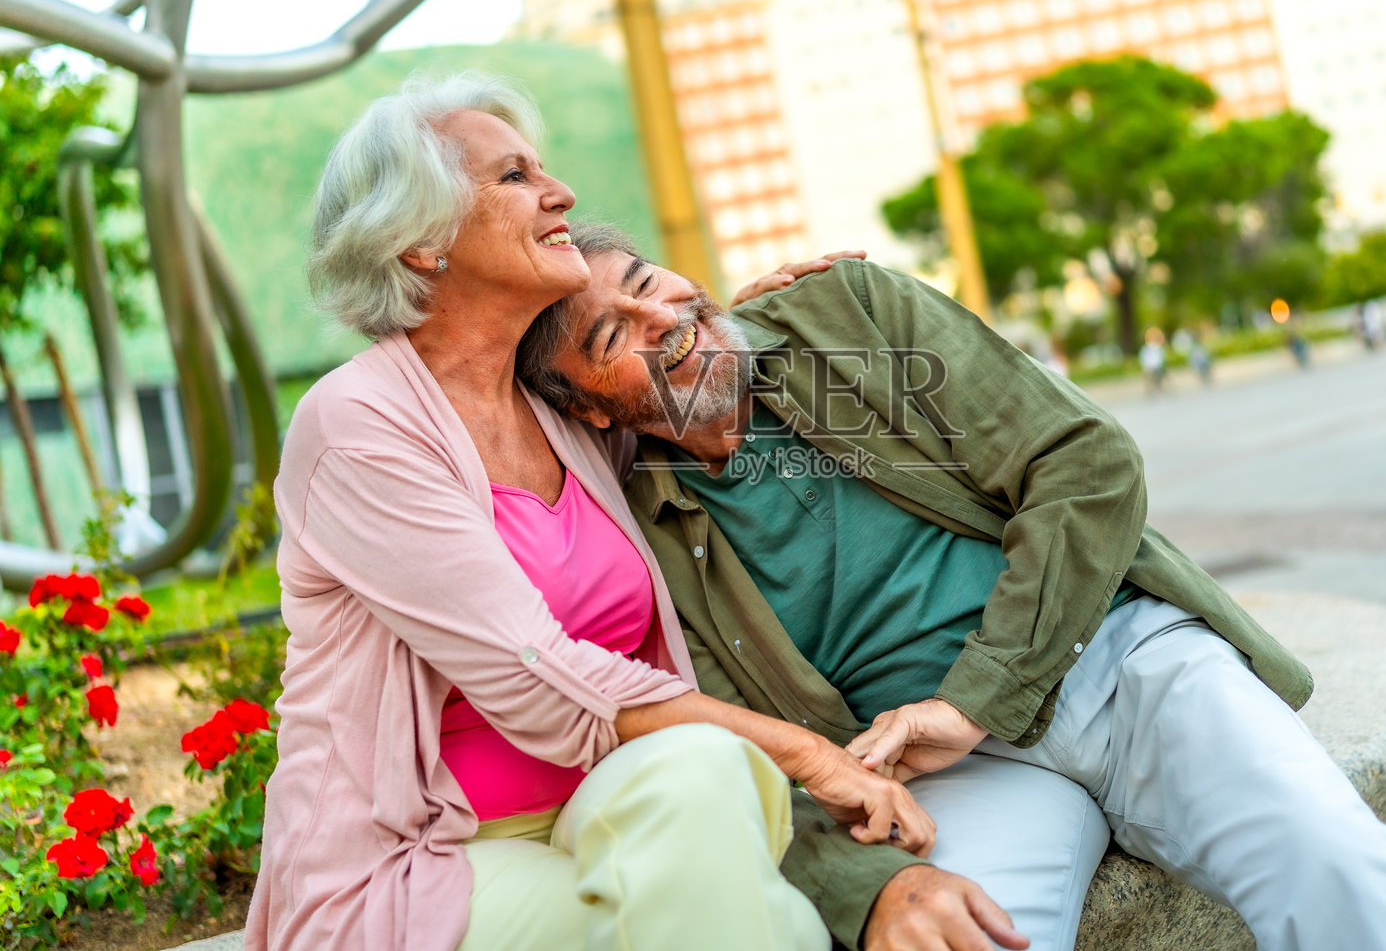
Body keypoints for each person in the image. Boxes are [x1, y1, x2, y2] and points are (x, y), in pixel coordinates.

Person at [518, 223, 1386, 951]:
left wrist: (972, 699)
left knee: (1334, 861)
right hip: (945, 782)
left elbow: (1085, 462)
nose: (664, 316)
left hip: (1118, 661)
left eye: (652, 283)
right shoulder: (627, 530)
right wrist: (868, 888)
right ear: (589, 408)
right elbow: (727, 746)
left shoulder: (842, 310)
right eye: (614, 332)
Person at [247, 75, 939, 951]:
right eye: (512, 177)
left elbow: (676, 403)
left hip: (611, 811)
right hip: (428, 858)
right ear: (422, 246)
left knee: (696, 780)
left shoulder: (560, 416)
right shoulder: (357, 426)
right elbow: (533, 676)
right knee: (739, 896)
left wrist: (722, 325)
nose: (559, 191)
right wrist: (808, 753)